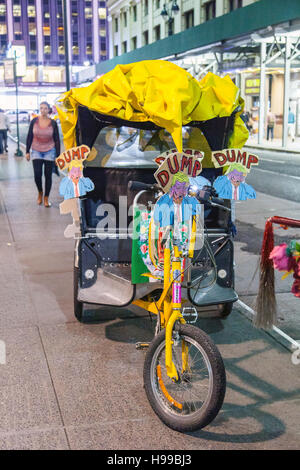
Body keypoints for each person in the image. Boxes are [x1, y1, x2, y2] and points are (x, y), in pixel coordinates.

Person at [25, 102, 60, 207]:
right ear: (39, 109)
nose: (43, 110)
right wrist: (27, 151)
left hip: (50, 151)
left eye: (45, 108)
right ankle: (40, 192)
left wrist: (57, 156)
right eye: (41, 108)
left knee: (48, 176)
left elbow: (57, 140)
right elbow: (29, 136)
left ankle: (46, 198)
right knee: (37, 175)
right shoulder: (34, 121)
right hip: (36, 150)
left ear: (49, 110)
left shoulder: (53, 123)